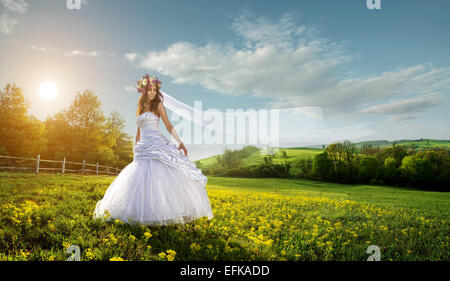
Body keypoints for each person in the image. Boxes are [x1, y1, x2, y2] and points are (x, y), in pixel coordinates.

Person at [93, 74, 214, 226]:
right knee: (139, 177)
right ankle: (138, 212)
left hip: (156, 144)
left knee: (159, 176)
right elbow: (138, 131)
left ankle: (165, 212)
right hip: (143, 146)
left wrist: (180, 141)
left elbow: (168, 125)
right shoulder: (139, 108)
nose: (152, 93)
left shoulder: (158, 106)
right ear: (144, 91)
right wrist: (135, 148)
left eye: (155, 90)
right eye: (150, 89)